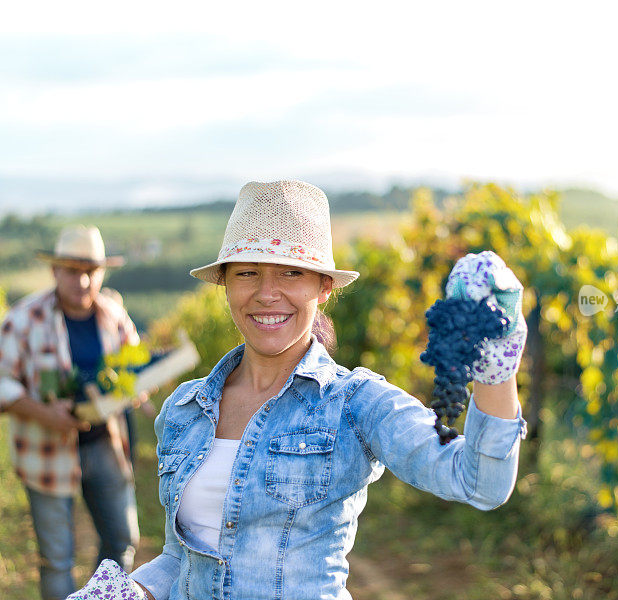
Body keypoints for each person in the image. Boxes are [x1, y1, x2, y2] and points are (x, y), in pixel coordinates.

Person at [73, 180, 529, 600]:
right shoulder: (185, 409)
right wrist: (127, 593)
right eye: (247, 273)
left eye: (291, 273)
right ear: (226, 284)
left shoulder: (355, 403)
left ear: (324, 287)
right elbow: (182, 559)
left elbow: (482, 484)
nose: (267, 293)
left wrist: (497, 365)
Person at [0, 225, 142, 600]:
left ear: (102, 273)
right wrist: (42, 413)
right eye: (72, 270)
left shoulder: (113, 315)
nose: (83, 280)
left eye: (91, 271)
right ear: (55, 272)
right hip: (45, 453)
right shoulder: (23, 319)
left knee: (122, 541)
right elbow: (2, 382)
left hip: (104, 444)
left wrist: (136, 389)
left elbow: (134, 365)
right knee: (57, 558)